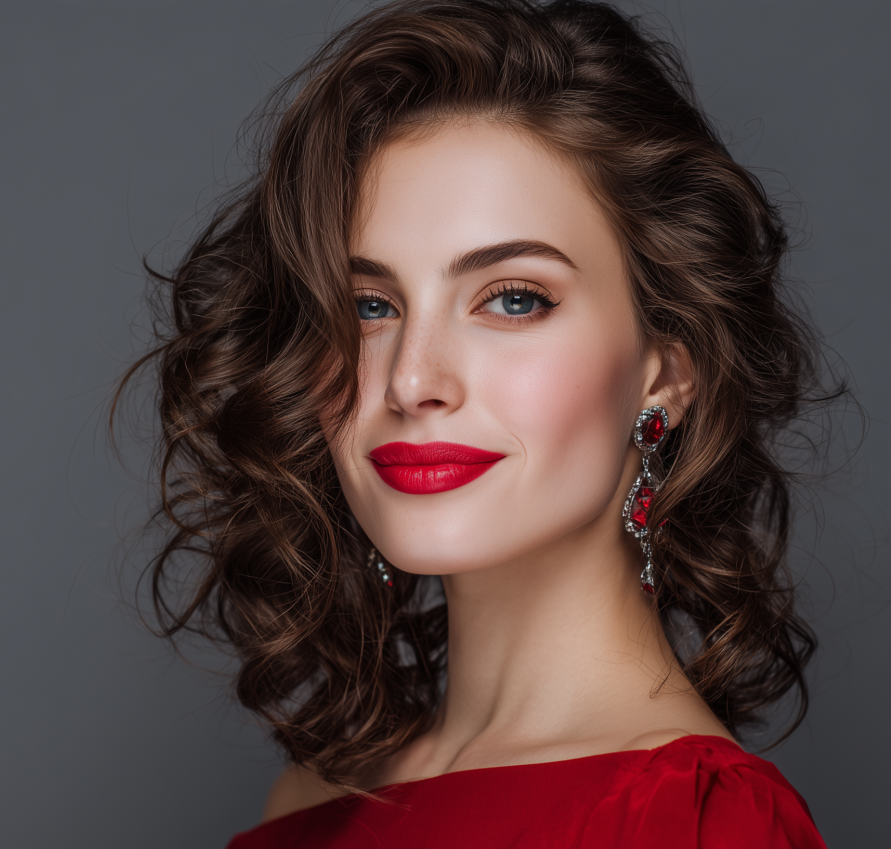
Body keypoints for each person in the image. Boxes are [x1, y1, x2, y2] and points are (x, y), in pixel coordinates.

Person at [125, 0, 833, 845]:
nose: (413, 378)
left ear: (667, 369)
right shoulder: (308, 805)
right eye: (369, 306)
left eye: (513, 299)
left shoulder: (698, 821)